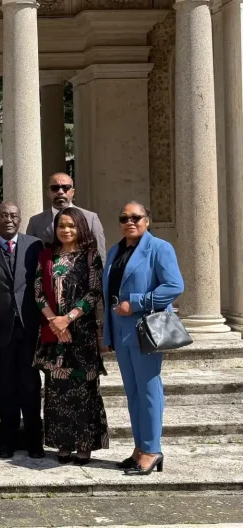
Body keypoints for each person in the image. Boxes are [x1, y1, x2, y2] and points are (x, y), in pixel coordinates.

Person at [103, 202, 183, 475]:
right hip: (121, 332)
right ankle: (139, 448)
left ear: (147, 220)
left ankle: (152, 450)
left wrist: (137, 302)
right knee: (133, 393)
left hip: (145, 330)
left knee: (149, 391)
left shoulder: (159, 248)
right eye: (124, 217)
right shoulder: (115, 251)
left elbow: (174, 286)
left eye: (136, 217)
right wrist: (107, 332)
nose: (130, 221)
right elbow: (108, 294)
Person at [33, 207, 109, 465]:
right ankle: (63, 445)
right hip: (54, 335)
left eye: (71, 226)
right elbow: (38, 292)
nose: (66, 230)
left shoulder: (90, 257)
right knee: (56, 391)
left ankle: (84, 445)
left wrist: (69, 318)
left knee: (83, 391)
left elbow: (94, 292)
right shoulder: (46, 256)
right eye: (61, 226)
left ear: (80, 228)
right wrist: (55, 320)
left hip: (82, 336)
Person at [0, 202, 44, 459]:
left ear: (20, 219)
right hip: (1, 328)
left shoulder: (35, 245)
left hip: (29, 326)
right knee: (5, 386)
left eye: (14, 216)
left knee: (30, 386)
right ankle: (7, 439)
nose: (9, 219)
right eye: (4, 215)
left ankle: (34, 440)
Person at [26, 173, 106, 261]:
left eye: (65, 188)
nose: (60, 192)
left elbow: (100, 254)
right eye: (55, 188)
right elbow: (30, 255)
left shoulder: (90, 218)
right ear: (48, 193)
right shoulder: (35, 221)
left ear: (73, 192)